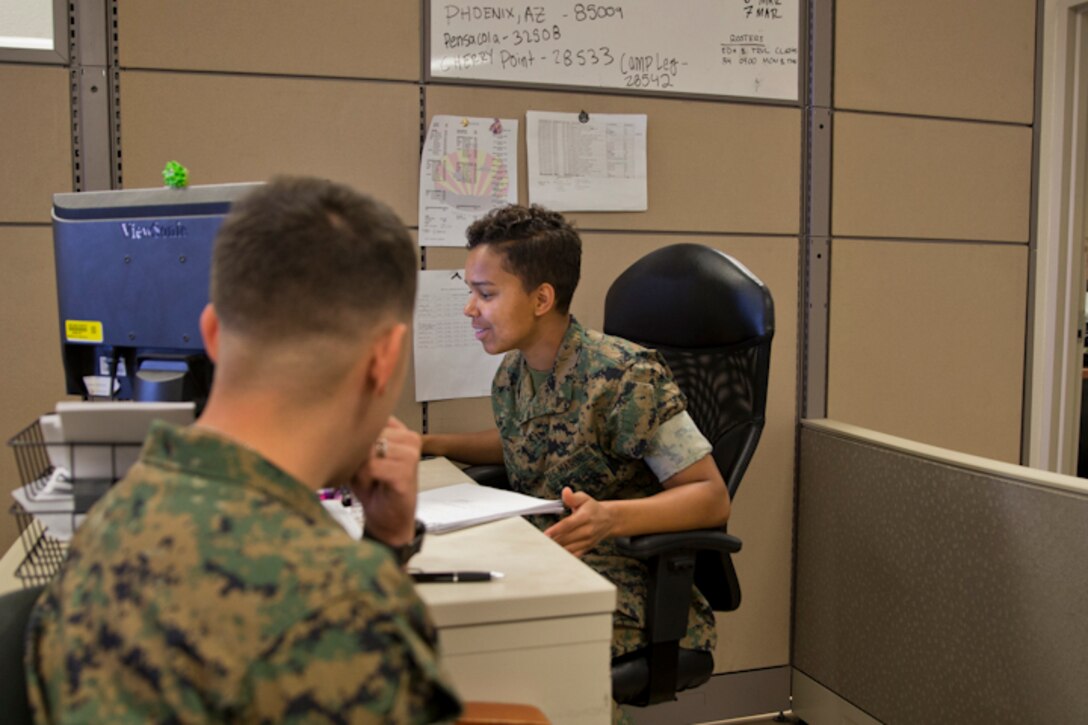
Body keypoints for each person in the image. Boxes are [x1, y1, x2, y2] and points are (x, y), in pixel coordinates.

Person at [25, 177, 462, 723]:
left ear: (210, 332)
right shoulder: (347, 608)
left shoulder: (104, 529)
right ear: (384, 357)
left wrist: (384, 542)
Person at [423, 203, 731, 662]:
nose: (470, 309)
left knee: (488, 650)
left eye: (485, 294)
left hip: (625, 577)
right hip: (546, 556)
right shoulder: (514, 372)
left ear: (542, 299)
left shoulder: (625, 378)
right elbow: (525, 439)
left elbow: (710, 496)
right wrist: (430, 444)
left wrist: (609, 517)